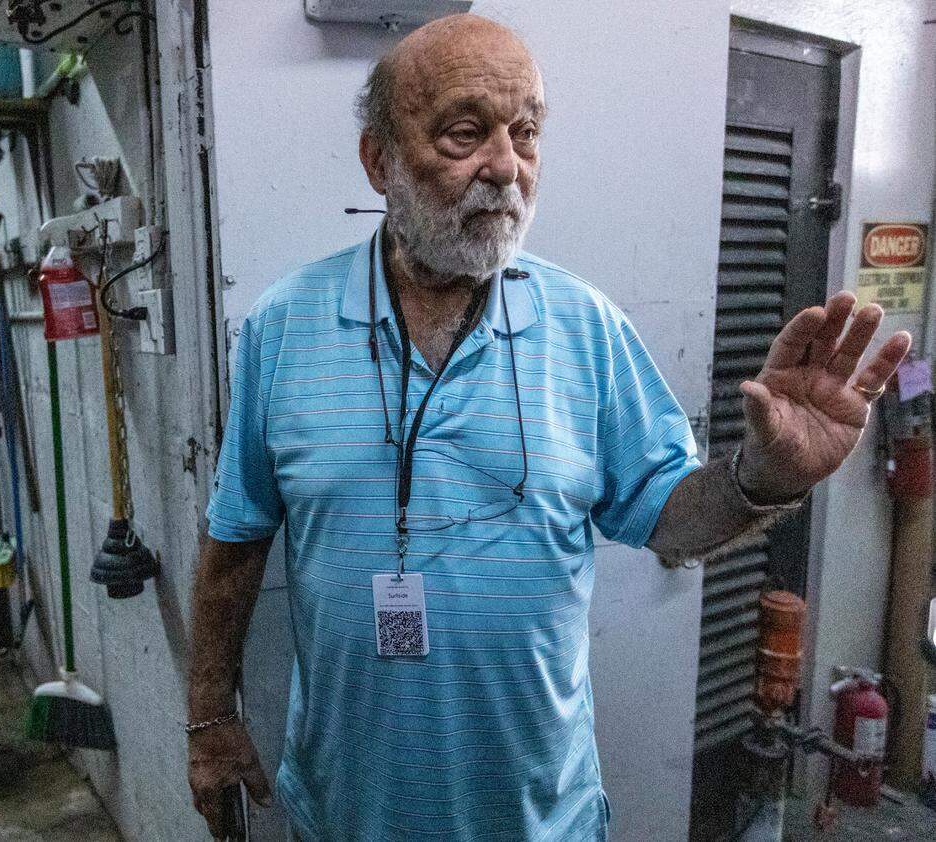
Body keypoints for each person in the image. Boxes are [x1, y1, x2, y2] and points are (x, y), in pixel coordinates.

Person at [185, 13, 911, 842]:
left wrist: (767, 477)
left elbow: (671, 520)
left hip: (539, 819)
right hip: (349, 810)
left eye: (525, 133)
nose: (507, 167)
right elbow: (235, 541)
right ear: (380, 160)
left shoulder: (585, 326)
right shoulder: (284, 328)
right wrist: (210, 719)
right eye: (466, 133)